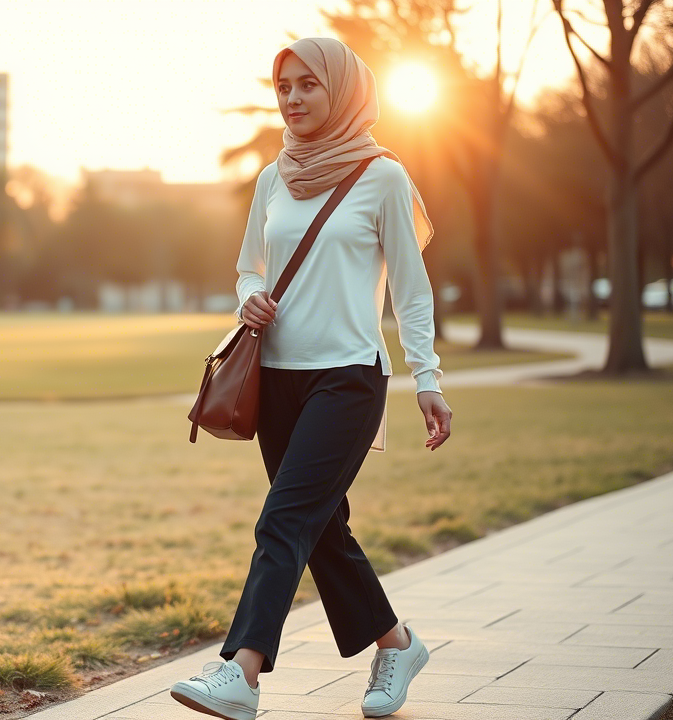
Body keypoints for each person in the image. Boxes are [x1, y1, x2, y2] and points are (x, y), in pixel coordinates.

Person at [169, 37, 453, 720]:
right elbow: (248, 267)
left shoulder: (383, 177)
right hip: (275, 380)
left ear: (343, 90)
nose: (292, 99)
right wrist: (250, 298)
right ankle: (398, 644)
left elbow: (412, 291)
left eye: (308, 85)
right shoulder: (275, 176)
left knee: (285, 519)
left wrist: (428, 377)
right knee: (319, 527)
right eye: (284, 87)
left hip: (348, 379)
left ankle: (242, 672)